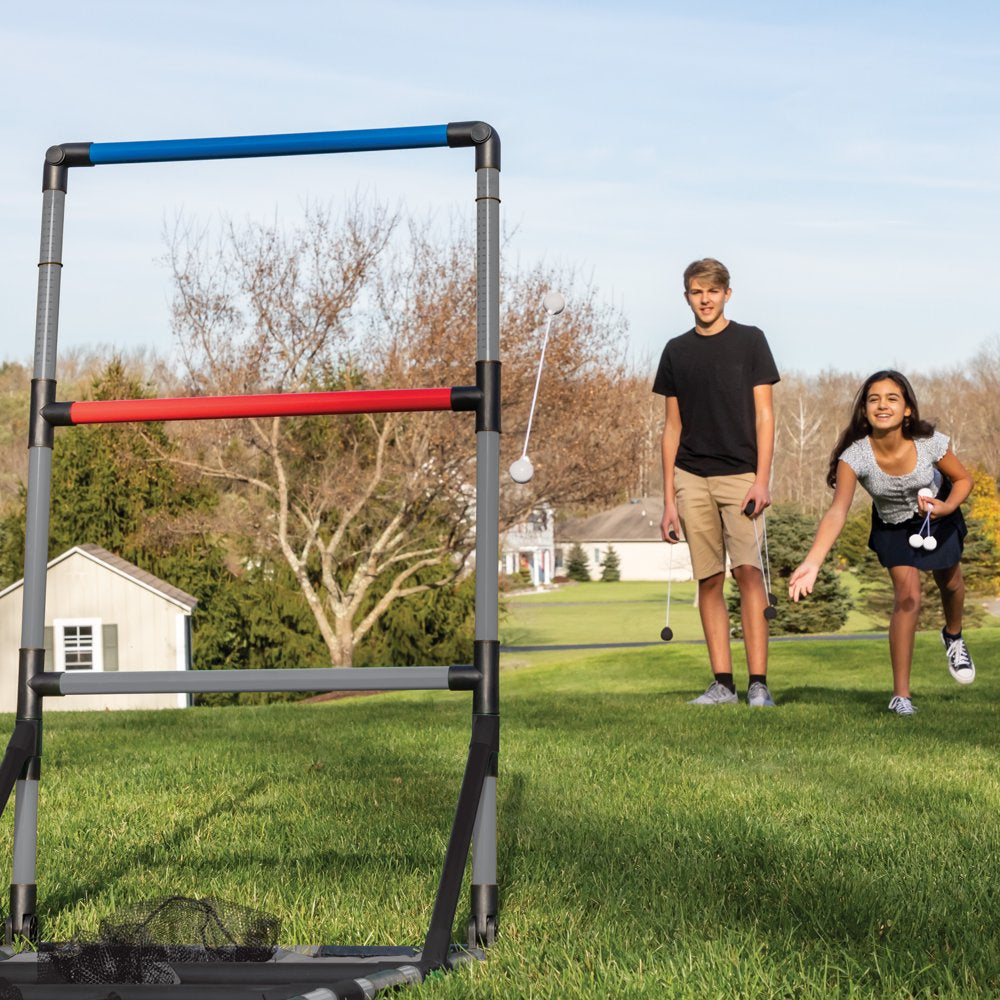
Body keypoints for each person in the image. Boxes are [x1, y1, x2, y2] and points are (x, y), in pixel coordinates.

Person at [788, 370, 976, 715]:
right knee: (908, 597)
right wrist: (813, 561)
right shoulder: (855, 456)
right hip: (892, 525)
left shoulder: (929, 441)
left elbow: (963, 479)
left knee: (950, 582)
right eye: (874, 399)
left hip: (938, 511)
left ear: (907, 409)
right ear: (864, 411)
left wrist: (947, 506)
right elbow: (836, 512)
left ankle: (953, 636)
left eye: (892, 398)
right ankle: (901, 696)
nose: (882, 405)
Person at [654, 258, 780, 706]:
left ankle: (758, 684)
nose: (704, 299)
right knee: (708, 579)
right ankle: (723, 684)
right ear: (686, 296)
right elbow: (671, 428)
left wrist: (762, 479)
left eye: (711, 291)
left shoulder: (751, 341)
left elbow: (765, 416)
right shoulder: (675, 351)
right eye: (695, 291)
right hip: (691, 478)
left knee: (748, 572)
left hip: (742, 476)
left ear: (727, 293)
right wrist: (668, 500)